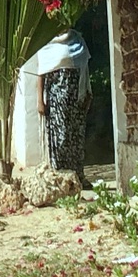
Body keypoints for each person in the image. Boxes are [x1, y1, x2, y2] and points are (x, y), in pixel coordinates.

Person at [26, 30, 92, 187]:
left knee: (76, 137)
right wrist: (40, 101)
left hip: (76, 98)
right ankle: (61, 177)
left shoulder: (77, 40)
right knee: (60, 137)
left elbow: (85, 68)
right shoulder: (47, 43)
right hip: (56, 101)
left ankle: (78, 176)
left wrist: (88, 92)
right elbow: (41, 72)